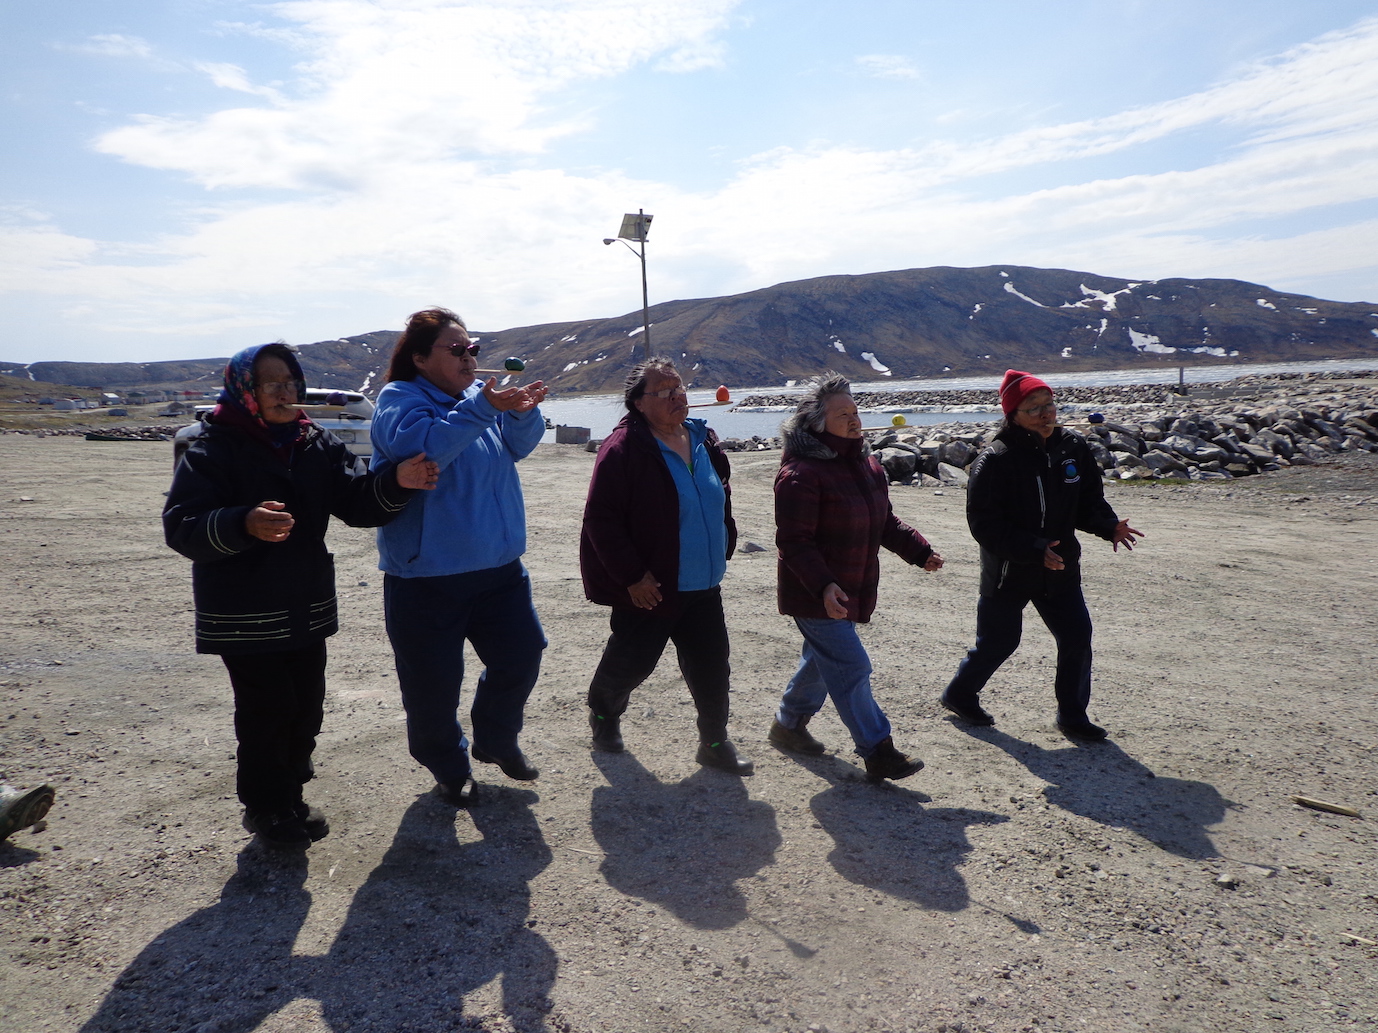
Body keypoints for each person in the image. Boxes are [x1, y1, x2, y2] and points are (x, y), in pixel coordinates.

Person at [164, 343, 438, 848]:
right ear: (246, 389)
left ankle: (288, 792)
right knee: (268, 709)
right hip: (244, 611)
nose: (286, 393)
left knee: (307, 706)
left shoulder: (312, 440)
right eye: (273, 385)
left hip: (304, 602)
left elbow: (356, 501)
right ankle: (269, 808)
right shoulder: (213, 446)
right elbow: (182, 527)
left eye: (292, 383)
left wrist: (397, 481)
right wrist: (242, 522)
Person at [371, 307, 549, 807]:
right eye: (457, 349)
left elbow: (518, 447)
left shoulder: (477, 400)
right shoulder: (399, 400)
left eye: (472, 348)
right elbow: (425, 448)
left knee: (521, 654)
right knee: (433, 686)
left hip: (499, 567)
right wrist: (482, 409)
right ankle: (448, 765)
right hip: (427, 575)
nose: (470, 357)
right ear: (421, 358)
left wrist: (518, 412)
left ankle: (494, 740)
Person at [938, 369, 1143, 741]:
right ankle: (959, 693)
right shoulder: (995, 459)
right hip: (1009, 570)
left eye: (1049, 405)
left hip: (1060, 567)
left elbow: (1087, 502)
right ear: (1013, 414)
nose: (1047, 414)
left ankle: (1072, 715)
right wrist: (1032, 549)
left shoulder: (1072, 448)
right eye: (1035, 409)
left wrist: (1109, 525)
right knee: (999, 642)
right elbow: (984, 525)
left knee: (1077, 636)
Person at [580, 358, 753, 775]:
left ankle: (714, 742)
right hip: (652, 585)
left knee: (712, 667)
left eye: (680, 388)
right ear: (639, 403)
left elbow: (720, 492)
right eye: (665, 391)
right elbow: (601, 519)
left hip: (704, 583)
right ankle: (603, 715)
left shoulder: (703, 438)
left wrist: (726, 535)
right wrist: (632, 578)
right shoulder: (623, 450)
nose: (678, 396)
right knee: (632, 663)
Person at [770, 373, 940, 782]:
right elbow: (794, 542)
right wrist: (824, 585)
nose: (854, 420)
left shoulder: (866, 465)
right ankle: (878, 749)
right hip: (815, 593)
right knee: (851, 665)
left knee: (821, 659)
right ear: (816, 423)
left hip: (846, 589)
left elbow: (883, 521)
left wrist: (919, 551)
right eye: (842, 414)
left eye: (856, 412)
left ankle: (788, 725)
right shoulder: (801, 474)